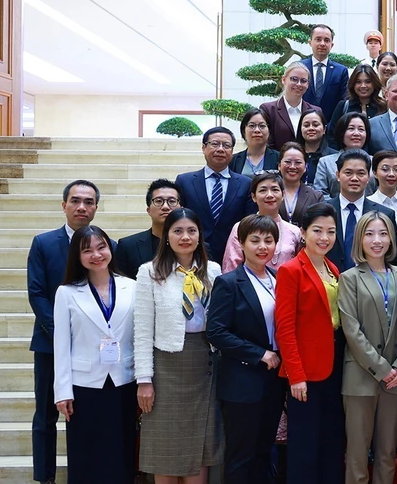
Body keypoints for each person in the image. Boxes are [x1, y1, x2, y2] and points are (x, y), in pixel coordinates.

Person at [133, 207, 223, 482]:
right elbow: (142, 330)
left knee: (201, 447)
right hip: (167, 367)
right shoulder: (149, 272)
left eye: (191, 231)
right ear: (167, 236)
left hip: (204, 364)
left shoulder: (214, 270)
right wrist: (144, 380)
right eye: (178, 231)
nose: (185, 237)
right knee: (165, 446)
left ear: (199, 235)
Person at [27, 179, 101, 484]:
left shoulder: (105, 246)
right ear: (64, 205)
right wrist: (60, 334)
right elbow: (37, 293)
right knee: (46, 415)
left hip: (92, 349)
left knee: (86, 417)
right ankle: (45, 477)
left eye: (88, 202)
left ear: (96, 207)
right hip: (49, 345)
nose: (81, 207)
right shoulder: (43, 243)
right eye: (75, 201)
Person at [206, 214, 287, 484]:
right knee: (241, 455)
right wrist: (258, 354)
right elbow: (216, 332)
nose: (262, 246)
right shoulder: (229, 282)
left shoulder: (278, 279)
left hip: (274, 381)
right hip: (242, 383)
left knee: (264, 451)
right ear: (241, 243)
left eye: (268, 240)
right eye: (255, 240)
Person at [53, 225, 137, 484]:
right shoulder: (66, 293)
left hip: (124, 380)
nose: (97, 255)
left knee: (121, 451)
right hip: (84, 385)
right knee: (86, 453)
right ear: (77, 257)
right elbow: (61, 345)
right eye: (87, 250)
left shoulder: (131, 286)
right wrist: (62, 391)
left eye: (101, 247)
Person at [274, 202, 346, 484]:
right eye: (317, 230)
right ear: (303, 232)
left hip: (334, 364)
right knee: (305, 444)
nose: (324, 237)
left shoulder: (333, 269)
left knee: (331, 439)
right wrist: (295, 374)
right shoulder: (291, 270)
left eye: (330, 231)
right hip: (305, 372)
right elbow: (285, 328)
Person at [338, 211, 397, 484]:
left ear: (391, 238)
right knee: (357, 455)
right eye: (369, 234)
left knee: (387, 453)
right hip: (360, 377)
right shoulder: (349, 278)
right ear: (360, 239)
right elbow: (352, 330)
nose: (377, 240)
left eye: (383, 233)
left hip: (396, 379)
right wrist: (382, 369)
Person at [175, 127, 255, 264]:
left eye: (226, 145)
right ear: (203, 147)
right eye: (215, 144)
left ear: (232, 151)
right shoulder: (184, 181)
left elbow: (248, 222)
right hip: (193, 253)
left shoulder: (246, 183)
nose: (220, 149)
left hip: (233, 255)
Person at [325, 149, 395, 271]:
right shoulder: (323, 211)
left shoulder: (385, 214)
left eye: (361, 173)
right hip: (329, 281)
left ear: (368, 177)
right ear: (338, 175)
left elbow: (392, 257)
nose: (354, 178)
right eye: (348, 173)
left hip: (371, 284)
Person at [221, 172, 303, 271]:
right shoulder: (241, 227)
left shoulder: (294, 231)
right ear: (253, 197)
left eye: (275, 190)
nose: (269, 195)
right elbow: (231, 267)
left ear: (282, 195)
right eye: (263, 190)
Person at [116, 179, 181, 278]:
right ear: (148, 210)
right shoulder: (127, 246)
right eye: (158, 201)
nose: (165, 207)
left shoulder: (195, 245)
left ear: (181, 208)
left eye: (172, 201)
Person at [261, 62, 319, 151]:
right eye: (294, 79)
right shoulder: (268, 110)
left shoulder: (315, 111)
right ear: (284, 80)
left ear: (307, 84)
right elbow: (267, 144)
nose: (299, 84)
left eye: (303, 81)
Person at [313, 111, 373, 199]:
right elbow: (320, 194)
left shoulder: (375, 162)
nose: (356, 133)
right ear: (341, 133)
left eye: (361, 129)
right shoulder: (325, 162)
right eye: (351, 128)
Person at [302, 24, 351, 121]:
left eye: (327, 40)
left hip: (331, 127)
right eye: (318, 39)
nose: (322, 44)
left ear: (331, 45)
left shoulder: (341, 71)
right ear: (310, 42)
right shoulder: (300, 68)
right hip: (303, 126)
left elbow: (344, 101)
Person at [277, 142, 326, 227]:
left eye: (298, 162)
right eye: (288, 162)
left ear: (305, 167)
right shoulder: (268, 193)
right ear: (279, 166)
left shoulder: (316, 197)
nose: (292, 166)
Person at [328, 64, 386, 129]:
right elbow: (332, 135)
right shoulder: (343, 106)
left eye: (368, 82)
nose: (363, 86)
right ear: (353, 84)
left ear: (374, 83)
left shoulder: (383, 106)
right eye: (358, 82)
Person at [230, 107, 281, 175]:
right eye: (252, 126)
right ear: (243, 131)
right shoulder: (233, 160)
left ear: (269, 131)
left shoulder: (279, 158)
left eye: (262, 126)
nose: (257, 130)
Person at [295, 107, 333, 186]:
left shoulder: (333, 157)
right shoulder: (292, 155)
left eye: (315, 125)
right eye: (306, 125)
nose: (311, 128)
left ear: (324, 129)